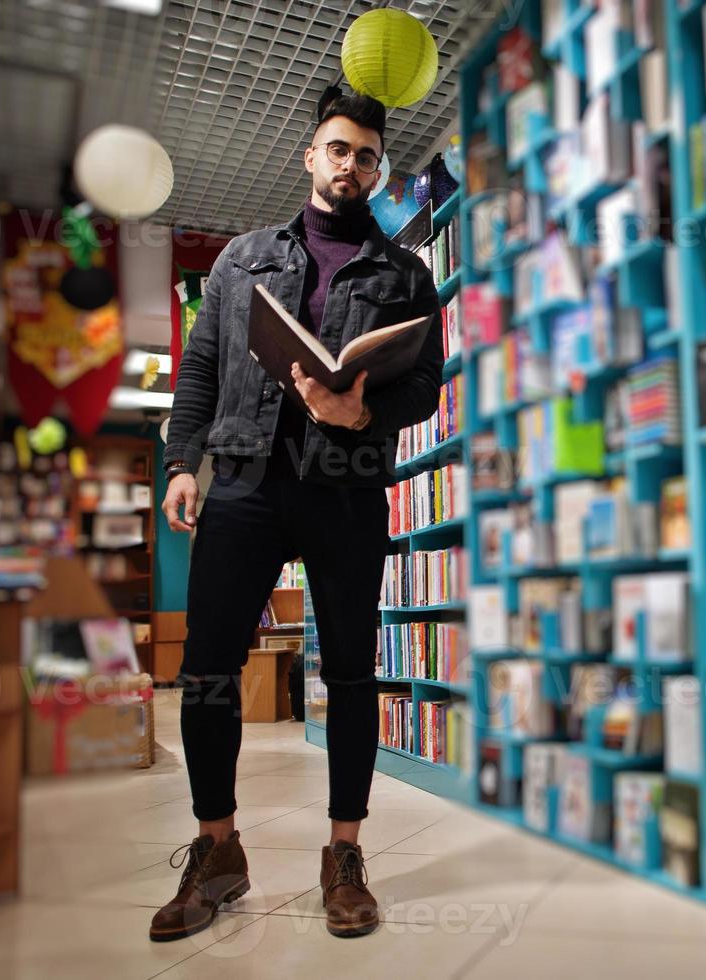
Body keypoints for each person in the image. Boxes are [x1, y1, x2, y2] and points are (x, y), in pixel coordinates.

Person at [151, 84, 442, 942]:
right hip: (242, 483)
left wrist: (365, 415)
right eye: (337, 149)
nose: (350, 165)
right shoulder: (240, 258)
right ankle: (216, 849)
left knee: (351, 669)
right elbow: (200, 367)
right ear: (309, 156)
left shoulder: (406, 274)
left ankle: (343, 855)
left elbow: (423, 388)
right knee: (207, 669)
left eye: (366, 155)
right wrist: (181, 464)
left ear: (377, 168)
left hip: (347, 488)